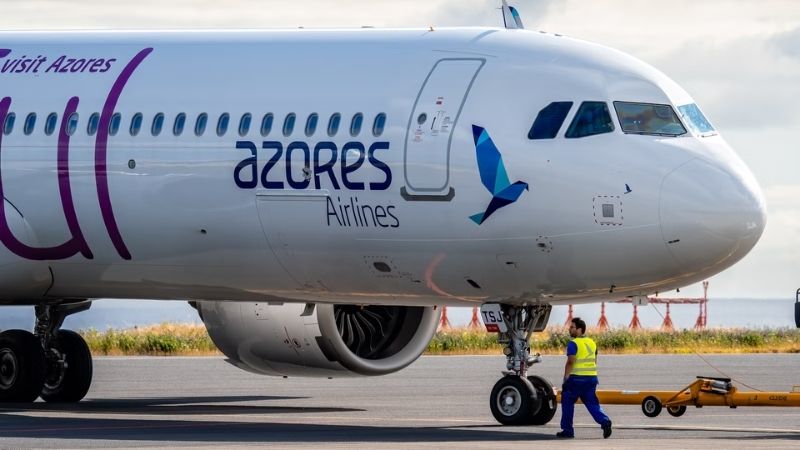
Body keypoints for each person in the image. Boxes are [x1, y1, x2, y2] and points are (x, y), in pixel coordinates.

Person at [556, 317, 612, 439]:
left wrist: (566, 379)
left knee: (567, 401)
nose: (569, 329)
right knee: (592, 403)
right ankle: (605, 421)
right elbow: (594, 361)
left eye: (572, 327)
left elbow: (570, 362)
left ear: (580, 329)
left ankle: (567, 430)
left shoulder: (573, 343)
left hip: (576, 379)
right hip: (591, 378)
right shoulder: (592, 342)